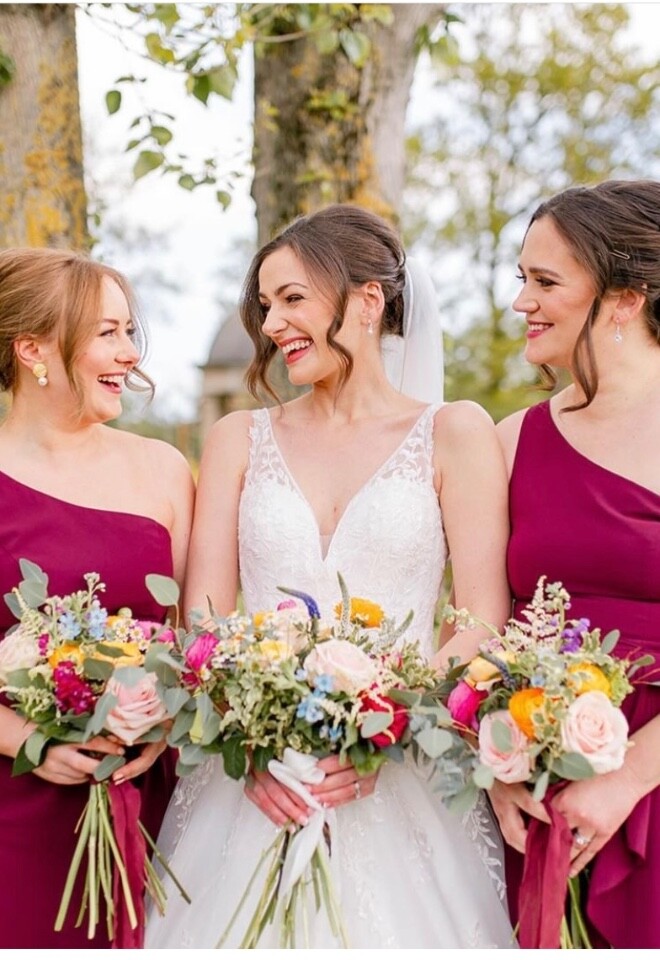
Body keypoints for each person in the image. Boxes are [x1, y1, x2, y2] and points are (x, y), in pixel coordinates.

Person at [146, 204, 515, 948]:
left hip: (403, 773)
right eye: (265, 305)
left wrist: (384, 728)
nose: (273, 323)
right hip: (253, 779)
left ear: (368, 300)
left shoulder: (455, 432)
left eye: (292, 299)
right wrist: (250, 741)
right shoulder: (236, 438)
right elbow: (204, 622)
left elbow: (482, 621)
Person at [0, 247, 195, 948]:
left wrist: (166, 721)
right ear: (32, 349)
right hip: (19, 802)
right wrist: (30, 740)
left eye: (129, 330)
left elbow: (197, 639)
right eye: (107, 332)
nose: (130, 353)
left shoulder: (164, 470)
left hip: (150, 792)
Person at [493, 179, 660, 948]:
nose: (521, 301)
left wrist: (629, 777)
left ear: (625, 298)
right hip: (538, 790)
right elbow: (487, 626)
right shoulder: (508, 442)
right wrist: (496, 764)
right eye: (521, 278)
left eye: (545, 281)